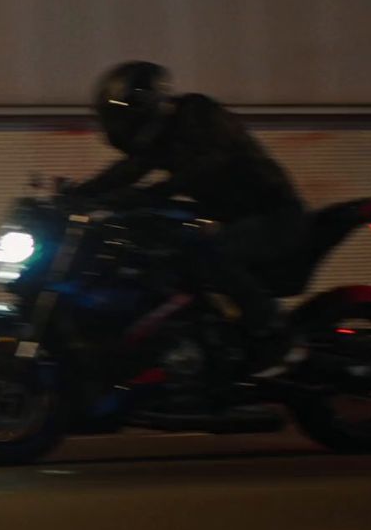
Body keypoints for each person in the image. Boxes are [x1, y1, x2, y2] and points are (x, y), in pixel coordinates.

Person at [69, 61, 306, 374]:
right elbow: (128, 169)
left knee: (214, 253)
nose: (119, 125)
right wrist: (78, 195)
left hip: (272, 212)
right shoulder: (158, 139)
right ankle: (183, 337)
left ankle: (275, 335)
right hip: (227, 214)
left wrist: (158, 192)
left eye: (121, 116)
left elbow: (213, 161)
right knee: (152, 247)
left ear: (144, 106)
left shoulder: (198, 114)